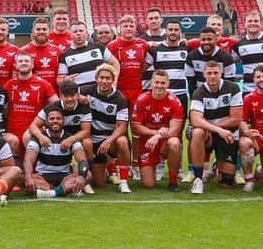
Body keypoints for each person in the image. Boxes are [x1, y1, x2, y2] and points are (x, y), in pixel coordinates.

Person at [188, 60, 243, 194]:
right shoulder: (198, 92)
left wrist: (217, 128)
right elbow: (195, 120)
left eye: (215, 73)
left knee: (227, 183)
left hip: (227, 134)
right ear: (204, 74)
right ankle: (198, 179)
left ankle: (217, 166)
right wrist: (218, 130)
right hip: (210, 134)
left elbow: (236, 118)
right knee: (197, 132)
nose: (212, 76)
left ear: (221, 73)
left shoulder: (233, 88)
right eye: (209, 73)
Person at [131, 69, 184, 190]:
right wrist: (155, 133)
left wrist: (158, 136)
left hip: (165, 141)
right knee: (148, 185)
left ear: (168, 84)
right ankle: (152, 165)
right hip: (147, 142)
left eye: (163, 83)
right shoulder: (141, 99)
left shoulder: (174, 101)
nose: (159, 86)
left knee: (175, 143)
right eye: (157, 82)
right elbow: (136, 126)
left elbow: (175, 130)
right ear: (151, 82)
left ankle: (172, 181)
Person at [25, 107, 91, 199]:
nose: (55, 121)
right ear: (46, 122)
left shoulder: (70, 138)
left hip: (65, 176)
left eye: (58, 118)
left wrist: (82, 177)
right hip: (42, 176)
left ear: (63, 121)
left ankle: (51, 193)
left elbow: (83, 160)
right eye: (52, 119)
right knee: (28, 177)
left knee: (87, 175)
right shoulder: (38, 138)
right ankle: (65, 190)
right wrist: (28, 178)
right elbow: (28, 160)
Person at [86, 64, 133, 192]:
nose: (104, 81)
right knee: (99, 184)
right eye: (102, 77)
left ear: (113, 80)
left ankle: (123, 181)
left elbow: (122, 127)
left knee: (122, 141)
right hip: (93, 140)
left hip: (109, 141)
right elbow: (70, 97)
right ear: (96, 79)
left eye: (108, 78)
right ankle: (102, 168)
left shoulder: (120, 99)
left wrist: (108, 140)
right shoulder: (87, 91)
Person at [5, 52, 58, 160]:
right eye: (20, 61)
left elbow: (57, 105)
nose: (23, 63)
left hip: (33, 131)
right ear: (15, 65)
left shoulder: (43, 84)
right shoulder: (9, 85)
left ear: (32, 65)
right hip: (12, 132)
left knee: (28, 139)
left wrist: (45, 124)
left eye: (26, 61)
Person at [57, 21, 118, 94]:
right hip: (80, 96)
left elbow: (115, 63)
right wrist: (65, 80)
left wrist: (114, 84)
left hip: (101, 94)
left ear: (86, 33)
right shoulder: (65, 55)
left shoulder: (99, 48)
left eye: (81, 31)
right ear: (71, 35)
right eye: (75, 31)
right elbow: (59, 80)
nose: (78, 33)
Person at [106, 14, 151, 107]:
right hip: (119, 88)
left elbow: (150, 60)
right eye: (125, 26)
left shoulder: (143, 44)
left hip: (137, 88)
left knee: (136, 118)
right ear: (120, 28)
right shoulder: (112, 46)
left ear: (135, 28)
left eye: (131, 26)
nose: (129, 28)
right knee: (120, 119)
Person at [144, 21, 190, 109]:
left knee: (180, 122)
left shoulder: (186, 48)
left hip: (181, 94)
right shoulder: (155, 50)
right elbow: (142, 69)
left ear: (180, 31)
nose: (173, 32)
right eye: (170, 29)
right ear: (166, 31)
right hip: (162, 94)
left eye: (176, 30)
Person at [21, 16, 64, 84]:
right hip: (33, 92)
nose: (41, 31)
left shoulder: (58, 51)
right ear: (33, 31)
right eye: (38, 29)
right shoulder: (23, 51)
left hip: (55, 93)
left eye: (44, 29)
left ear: (49, 31)